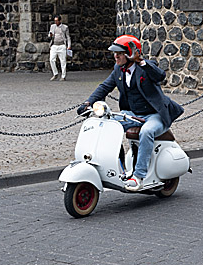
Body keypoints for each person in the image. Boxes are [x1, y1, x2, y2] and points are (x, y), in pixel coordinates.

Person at [80, 34, 184, 191]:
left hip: (155, 115)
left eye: (119, 53)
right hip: (133, 114)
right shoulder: (118, 70)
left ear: (130, 53)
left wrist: (141, 61)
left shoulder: (146, 67)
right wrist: (88, 103)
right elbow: (104, 87)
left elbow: (160, 76)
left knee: (147, 131)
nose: (115, 56)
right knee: (107, 126)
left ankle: (138, 177)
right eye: (115, 53)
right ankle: (117, 169)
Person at [48, 15, 71, 81]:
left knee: (63, 61)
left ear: (60, 21)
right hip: (54, 45)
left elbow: (68, 37)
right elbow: (49, 35)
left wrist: (69, 46)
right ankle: (55, 73)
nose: (56, 22)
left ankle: (63, 76)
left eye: (57, 20)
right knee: (52, 59)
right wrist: (50, 35)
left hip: (62, 45)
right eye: (55, 20)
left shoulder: (65, 27)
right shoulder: (52, 26)